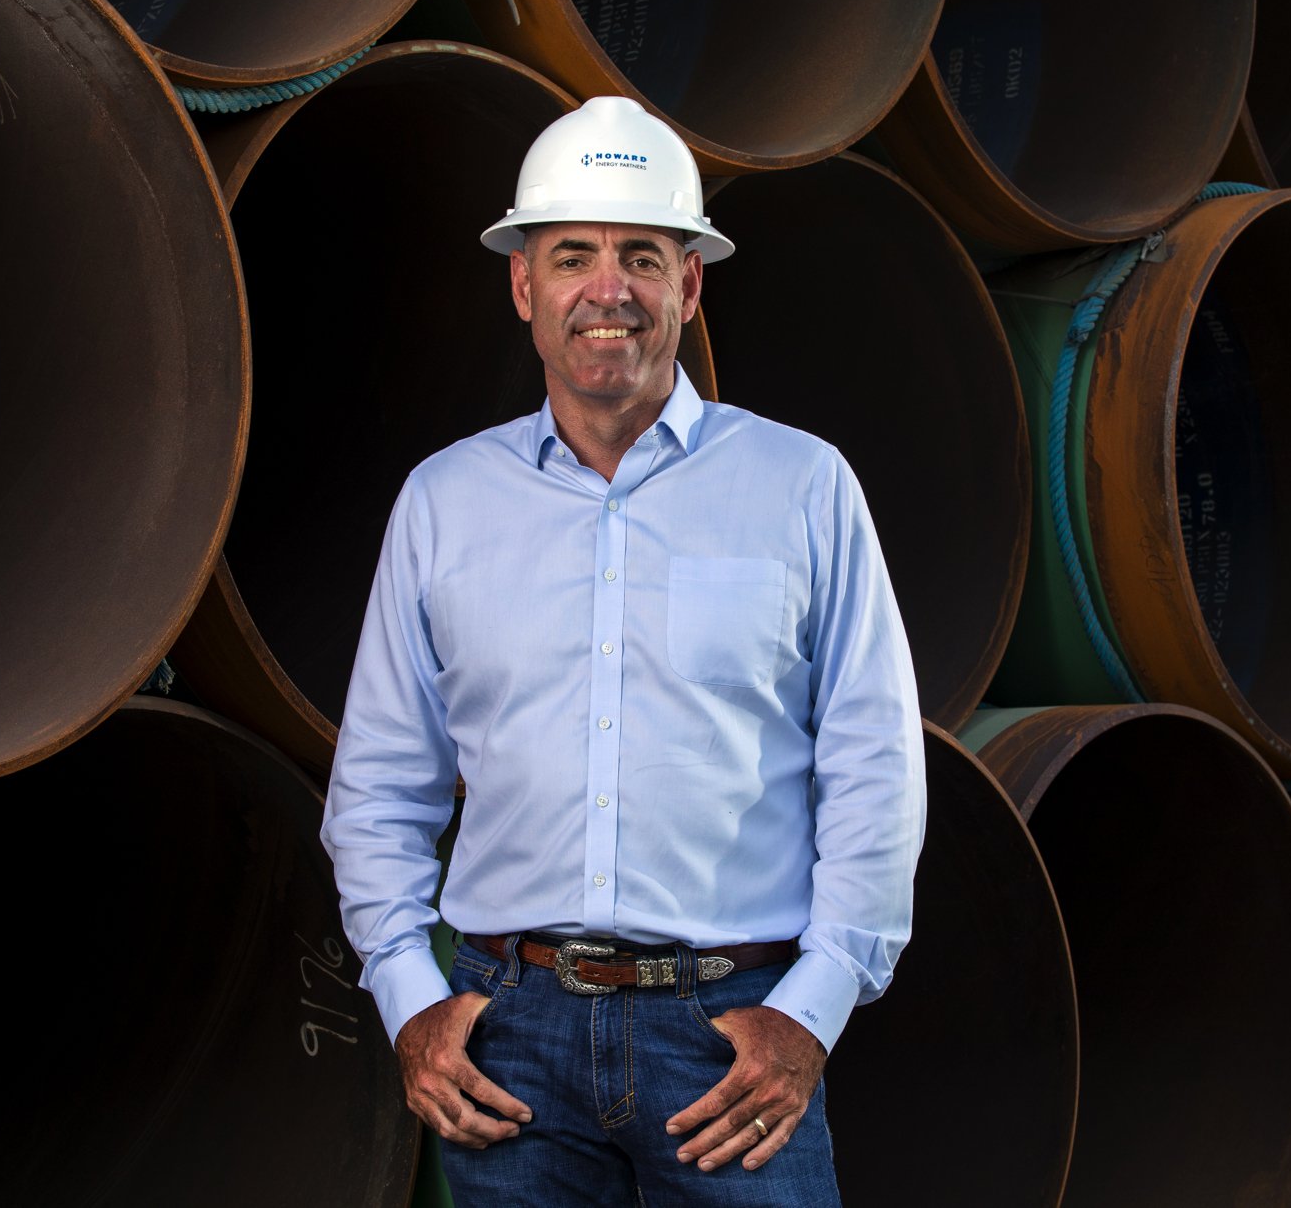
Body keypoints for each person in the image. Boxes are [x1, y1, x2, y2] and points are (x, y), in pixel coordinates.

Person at [320, 95, 926, 1205]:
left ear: (689, 284)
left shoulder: (801, 488)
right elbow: (376, 787)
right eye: (571, 256)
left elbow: (875, 769)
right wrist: (410, 998)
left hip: (733, 1039)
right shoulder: (443, 504)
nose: (607, 289)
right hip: (508, 1043)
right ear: (523, 286)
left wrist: (814, 1007)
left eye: (640, 256)